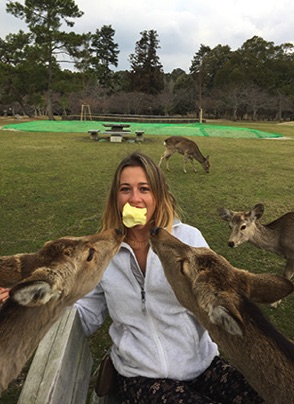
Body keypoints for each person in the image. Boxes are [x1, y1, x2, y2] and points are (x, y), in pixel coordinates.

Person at [75, 151, 263, 403]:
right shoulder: (101, 253)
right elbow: (85, 313)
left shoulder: (189, 239)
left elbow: (224, 296)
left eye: (144, 188)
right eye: (125, 189)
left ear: (159, 194)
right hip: (141, 376)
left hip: (201, 365)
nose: (135, 198)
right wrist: (30, 306)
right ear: (115, 198)